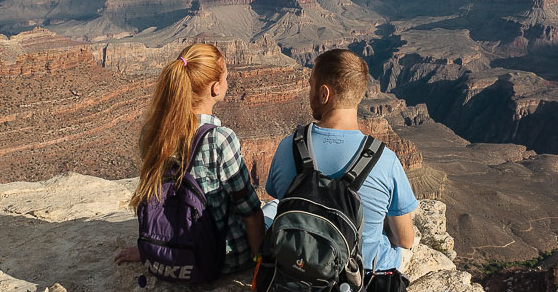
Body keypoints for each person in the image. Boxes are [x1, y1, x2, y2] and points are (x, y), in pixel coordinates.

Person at [115, 42, 264, 272]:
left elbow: (155, 195)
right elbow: (250, 211)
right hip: (220, 260)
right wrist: (260, 263)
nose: (227, 83)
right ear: (215, 88)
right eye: (225, 78)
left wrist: (148, 249)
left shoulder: (154, 132)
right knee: (272, 210)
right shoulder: (220, 139)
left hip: (168, 252)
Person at [265, 49, 417, 271]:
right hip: (357, 288)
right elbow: (405, 239)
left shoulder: (287, 147)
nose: (309, 93)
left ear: (324, 94)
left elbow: (281, 201)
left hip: (296, 273)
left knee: (271, 208)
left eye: (311, 86)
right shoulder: (385, 160)